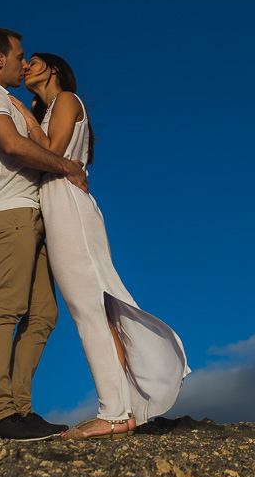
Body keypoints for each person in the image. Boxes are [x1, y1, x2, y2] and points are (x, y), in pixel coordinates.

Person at [10, 52, 190, 441]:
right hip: (61, 205)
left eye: (34, 61)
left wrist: (25, 120)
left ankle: (113, 412)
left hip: (69, 207)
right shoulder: (52, 108)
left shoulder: (67, 101)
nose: (26, 67)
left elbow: (54, 153)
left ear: (54, 69)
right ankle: (125, 408)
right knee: (93, 307)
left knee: (88, 306)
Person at [0, 28, 89, 441]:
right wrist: (66, 165)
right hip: (9, 212)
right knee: (6, 309)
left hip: (30, 214)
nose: (23, 62)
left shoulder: (6, 99)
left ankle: (20, 410)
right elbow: (12, 146)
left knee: (43, 315)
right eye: (18, 55)